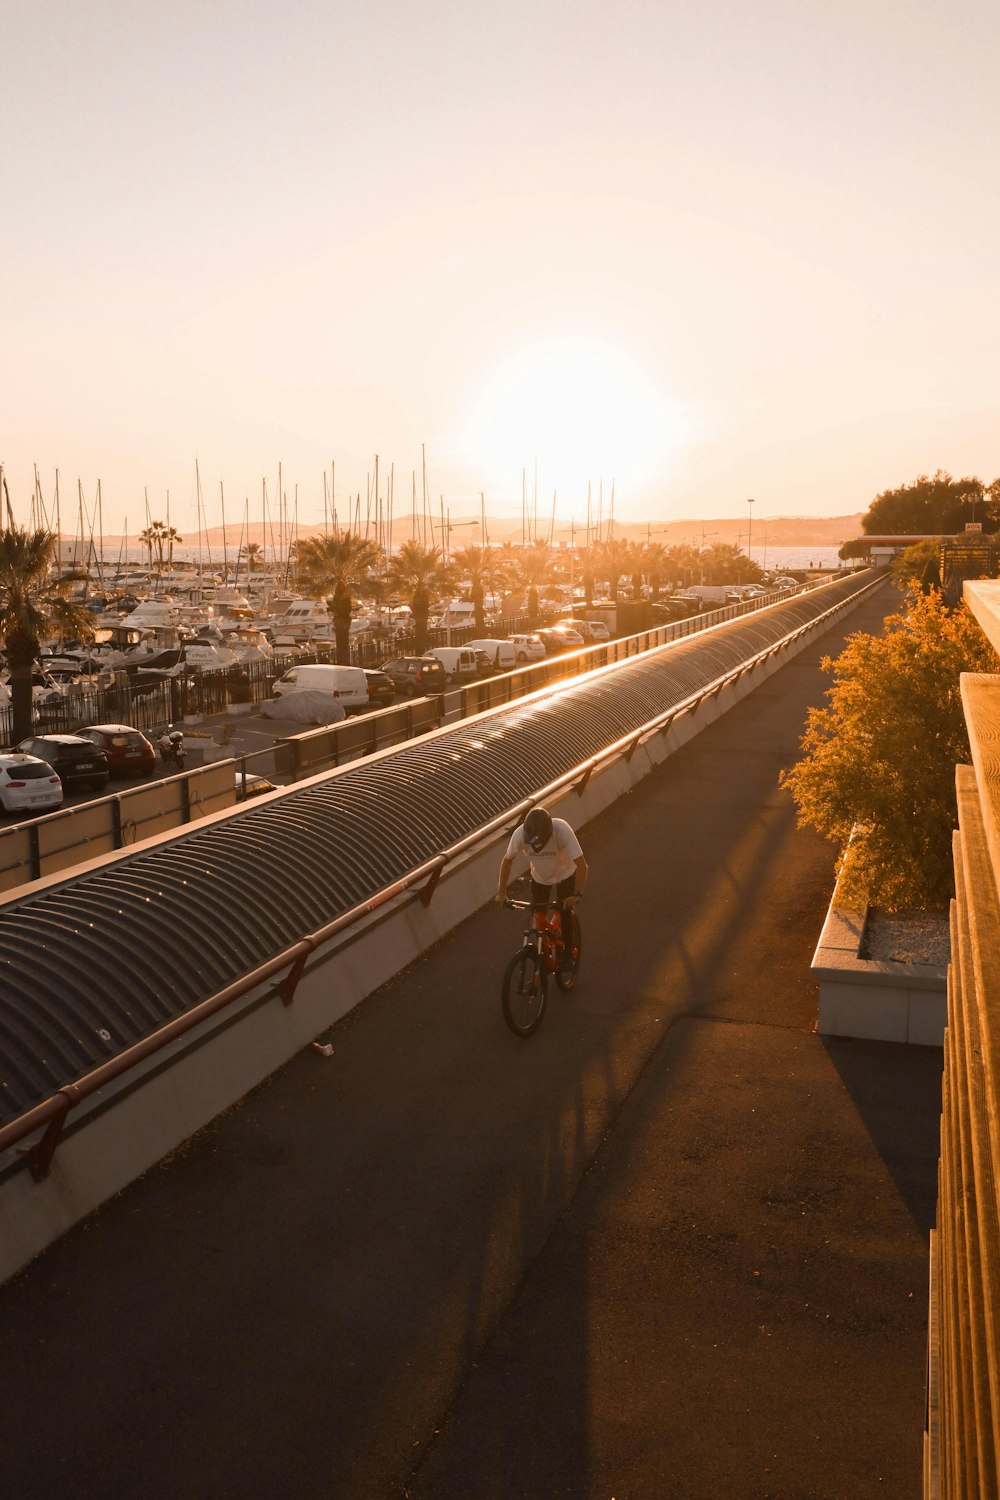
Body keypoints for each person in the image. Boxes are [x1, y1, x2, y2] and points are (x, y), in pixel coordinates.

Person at [496, 808, 588, 958]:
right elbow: (507, 861)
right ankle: (544, 950)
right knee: (538, 915)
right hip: (540, 877)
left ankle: (569, 950)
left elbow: (582, 866)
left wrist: (577, 894)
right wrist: (501, 893)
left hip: (565, 873)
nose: (536, 846)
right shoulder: (519, 835)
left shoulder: (562, 830)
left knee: (565, 910)